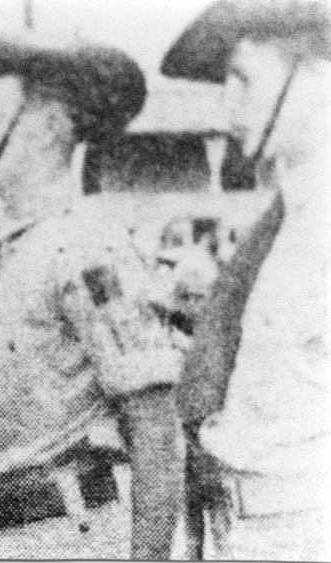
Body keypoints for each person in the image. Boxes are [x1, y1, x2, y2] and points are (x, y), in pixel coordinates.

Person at [0, 33, 184, 559]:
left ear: (47, 128)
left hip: (66, 533)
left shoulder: (87, 245)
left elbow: (155, 430)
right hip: (0, 531)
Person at [162, 1, 331, 559]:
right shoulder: (279, 222)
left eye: (243, 78)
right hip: (235, 526)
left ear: (316, 73)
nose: (227, 107)